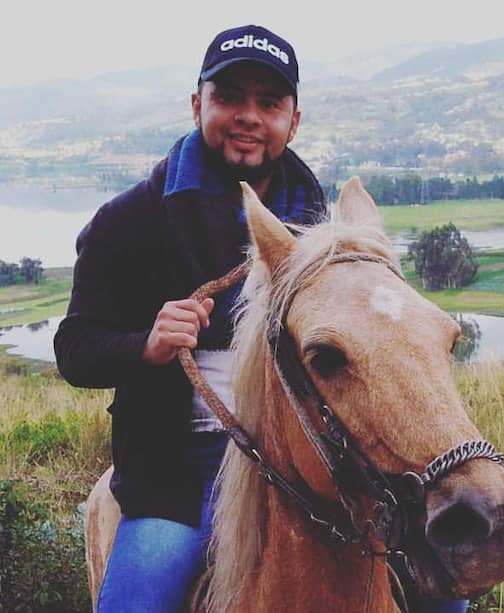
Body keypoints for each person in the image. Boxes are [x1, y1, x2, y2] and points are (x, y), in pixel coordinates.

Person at [54, 24, 467, 613]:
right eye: (230, 97)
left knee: (444, 593)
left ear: (292, 121)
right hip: (176, 473)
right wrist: (145, 344)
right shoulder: (129, 221)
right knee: (137, 600)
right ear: (198, 105)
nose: (249, 115)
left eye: (269, 102)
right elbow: (74, 349)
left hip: (312, 463)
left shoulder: (316, 224)